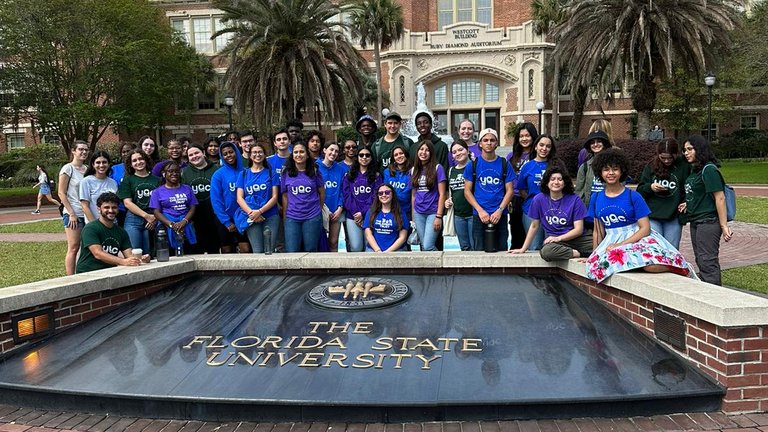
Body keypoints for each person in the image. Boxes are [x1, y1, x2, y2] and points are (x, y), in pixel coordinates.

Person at [584, 148, 695, 283]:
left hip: (636, 238)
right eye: (606, 169)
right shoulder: (596, 197)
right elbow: (598, 230)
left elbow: (645, 228)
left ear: (622, 171)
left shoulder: (633, 196)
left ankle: (679, 268)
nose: (611, 173)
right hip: (611, 240)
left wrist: (621, 244)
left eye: (615, 169)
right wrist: (594, 254)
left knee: (650, 266)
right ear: (600, 172)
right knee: (598, 268)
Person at [680, 135, 733, 285]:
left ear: (700, 150)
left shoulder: (709, 170)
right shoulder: (695, 170)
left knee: (707, 261)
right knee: (701, 259)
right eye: (685, 150)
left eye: (690, 149)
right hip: (696, 221)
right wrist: (688, 204)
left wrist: (724, 226)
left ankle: (715, 296)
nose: (686, 153)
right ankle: (708, 291)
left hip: (708, 222)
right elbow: (699, 193)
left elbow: (720, 198)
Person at [509, 165, 592, 261]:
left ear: (564, 183)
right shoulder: (538, 199)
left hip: (579, 239)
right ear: (547, 183)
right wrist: (523, 248)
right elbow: (534, 226)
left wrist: (559, 238)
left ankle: (580, 251)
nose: (556, 182)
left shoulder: (574, 199)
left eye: (560, 179)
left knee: (600, 247)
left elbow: (578, 229)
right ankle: (577, 253)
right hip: (557, 242)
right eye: (552, 179)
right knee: (546, 252)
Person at [464, 128, 515, 251]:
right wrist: (480, 210)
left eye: (492, 140)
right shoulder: (473, 164)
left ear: (496, 143)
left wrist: (500, 210)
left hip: (500, 214)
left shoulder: (504, 163)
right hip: (479, 214)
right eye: (485, 140)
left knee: (502, 249)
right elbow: (467, 191)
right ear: (480, 144)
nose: (489, 143)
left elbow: (510, 190)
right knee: (479, 250)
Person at [76, 192, 150, 273]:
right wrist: (123, 261)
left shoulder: (121, 232)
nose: (111, 210)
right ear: (99, 209)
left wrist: (142, 259)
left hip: (110, 271)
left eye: (114, 207)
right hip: (88, 272)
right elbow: (98, 253)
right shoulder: (90, 228)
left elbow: (129, 255)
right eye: (106, 207)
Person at [637, 138, 689, 249]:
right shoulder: (651, 166)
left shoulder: (684, 166)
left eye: (670, 157)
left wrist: (686, 202)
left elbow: (689, 188)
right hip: (653, 215)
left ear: (676, 154)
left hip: (673, 216)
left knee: (672, 249)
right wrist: (650, 187)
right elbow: (640, 190)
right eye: (663, 158)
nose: (666, 161)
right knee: (656, 249)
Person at [281, 142, 325, 252]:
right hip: (292, 217)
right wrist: (285, 216)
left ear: (307, 154)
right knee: (292, 251)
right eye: (296, 152)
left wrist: (318, 209)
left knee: (311, 250)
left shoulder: (315, 171)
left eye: (301, 152)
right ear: (292, 155)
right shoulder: (286, 172)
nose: (298, 155)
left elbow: (322, 193)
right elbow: (285, 196)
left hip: (312, 216)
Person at [236, 143, 280, 253]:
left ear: (264, 155)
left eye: (260, 152)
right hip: (251, 217)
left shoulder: (271, 173)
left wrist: (260, 211)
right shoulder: (243, 174)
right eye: (254, 152)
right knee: (257, 251)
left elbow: (275, 197)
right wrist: (252, 213)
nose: (257, 154)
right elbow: (239, 198)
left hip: (270, 216)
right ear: (250, 156)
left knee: (270, 249)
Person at [517, 134, 558, 251]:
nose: (544, 149)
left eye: (548, 146)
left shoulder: (556, 165)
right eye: (541, 145)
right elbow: (522, 189)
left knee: (551, 247)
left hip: (553, 211)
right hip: (531, 210)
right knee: (534, 247)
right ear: (535, 147)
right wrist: (534, 202)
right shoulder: (527, 166)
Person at [149, 161, 198, 254]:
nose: (174, 174)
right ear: (164, 174)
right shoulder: (157, 192)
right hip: (166, 226)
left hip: (185, 224)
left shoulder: (187, 189)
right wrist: (171, 224)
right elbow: (156, 212)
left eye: (176, 171)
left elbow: (192, 207)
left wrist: (184, 221)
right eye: (170, 171)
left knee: (189, 254)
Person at [118, 149, 160, 256]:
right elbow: (127, 203)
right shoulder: (127, 180)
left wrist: (153, 217)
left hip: (155, 218)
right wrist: (146, 216)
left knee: (151, 254)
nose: (138, 162)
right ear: (131, 165)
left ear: (146, 160)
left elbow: (162, 202)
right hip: (133, 220)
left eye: (140, 159)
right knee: (134, 253)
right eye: (134, 161)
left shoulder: (157, 180)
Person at [211, 141, 250, 253]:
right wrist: (226, 222)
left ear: (236, 152)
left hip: (243, 217)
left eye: (231, 152)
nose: (229, 155)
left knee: (245, 249)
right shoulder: (218, 174)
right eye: (225, 154)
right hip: (224, 218)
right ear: (222, 156)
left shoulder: (246, 172)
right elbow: (216, 201)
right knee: (227, 251)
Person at [182, 143, 221, 254]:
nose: (194, 156)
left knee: (214, 251)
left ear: (203, 153)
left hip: (214, 216)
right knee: (196, 251)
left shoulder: (216, 169)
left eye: (196, 153)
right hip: (194, 218)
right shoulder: (184, 173)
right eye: (191, 155)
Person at [59, 140, 90, 275]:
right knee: (73, 247)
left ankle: (84, 273)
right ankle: (70, 279)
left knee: (87, 247)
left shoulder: (88, 169)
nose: (84, 152)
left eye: (86, 150)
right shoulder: (68, 168)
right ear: (73, 151)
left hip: (87, 213)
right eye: (80, 149)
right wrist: (71, 213)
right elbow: (61, 192)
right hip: (73, 214)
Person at [411, 140, 447, 251]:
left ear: (431, 153)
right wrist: (413, 217)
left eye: (427, 150)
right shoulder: (413, 170)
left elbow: (442, 194)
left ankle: (442, 268)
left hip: (433, 212)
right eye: (421, 149)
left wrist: (439, 216)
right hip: (418, 213)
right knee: (423, 246)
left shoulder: (438, 168)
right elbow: (413, 195)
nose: (424, 152)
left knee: (428, 246)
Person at [507, 122, 538, 249]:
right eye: (521, 136)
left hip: (533, 199)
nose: (524, 139)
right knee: (516, 233)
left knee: (534, 234)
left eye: (527, 135)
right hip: (515, 199)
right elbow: (507, 178)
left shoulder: (538, 155)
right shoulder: (512, 156)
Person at [575, 130, 613, 228]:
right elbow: (579, 193)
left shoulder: (615, 165)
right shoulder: (584, 167)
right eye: (592, 142)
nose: (595, 144)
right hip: (590, 214)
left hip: (610, 212)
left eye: (599, 141)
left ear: (605, 143)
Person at [317, 141, 347, 252]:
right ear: (325, 150)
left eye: (336, 151)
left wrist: (340, 208)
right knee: (320, 241)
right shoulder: (316, 167)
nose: (333, 153)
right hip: (321, 210)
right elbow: (314, 191)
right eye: (331, 150)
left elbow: (343, 191)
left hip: (336, 211)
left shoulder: (340, 169)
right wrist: (325, 209)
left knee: (333, 242)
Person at [364, 183, 408, 252]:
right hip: (373, 249)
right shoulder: (371, 212)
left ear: (392, 194)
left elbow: (402, 237)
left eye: (387, 192)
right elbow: (368, 234)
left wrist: (388, 252)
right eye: (380, 193)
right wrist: (378, 250)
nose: (384, 195)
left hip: (396, 250)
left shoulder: (401, 213)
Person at [447, 141, 473, 251]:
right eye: (454, 152)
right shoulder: (451, 171)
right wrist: (447, 200)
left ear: (467, 150)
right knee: (464, 247)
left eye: (460, 150)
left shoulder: (474, 166)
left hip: (473, 214)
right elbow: (451, 191)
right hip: (458, 215)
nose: (458, 153)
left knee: (475, 246)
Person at [79, 150, 118, 223]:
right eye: (98, 162)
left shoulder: (113, 183)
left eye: (104, 162)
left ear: (109, 164)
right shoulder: (86, 181)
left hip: (112, 224)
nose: (101, 165)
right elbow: (84, 206)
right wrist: (95, 225)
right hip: (94, 225)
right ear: (93, 164)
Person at [383, 144, 412, 221]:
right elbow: (385, 190)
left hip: (406, 212)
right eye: (396, 155)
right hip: (390, 211)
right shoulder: (387, 172)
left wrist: (391, 196)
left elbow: (407, 195)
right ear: (393, 158)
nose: (399, 156)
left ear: (406, 154)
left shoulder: (412, 171)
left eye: (401, 153)